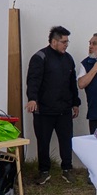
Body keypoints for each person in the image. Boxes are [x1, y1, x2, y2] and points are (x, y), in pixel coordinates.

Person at [24, 25, 79, 184]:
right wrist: (32, 99)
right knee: (43, 142)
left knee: (66, 140)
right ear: (54, 41)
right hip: (44, 111)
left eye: (67, 42)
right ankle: (44, 171)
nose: (66, 45)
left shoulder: (68, 58)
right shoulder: (40, 57)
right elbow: (33, 80)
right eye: (63, 42)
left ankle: (67, 169)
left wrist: (75, 103)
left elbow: (72, 83)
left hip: (64, 110)